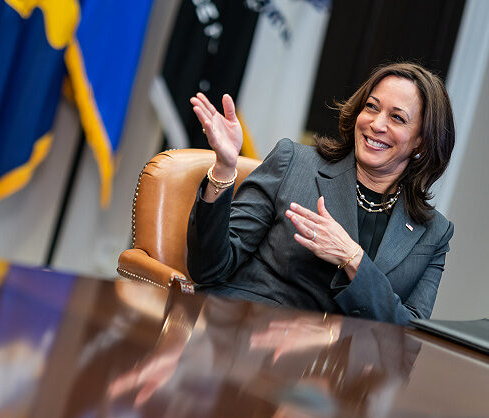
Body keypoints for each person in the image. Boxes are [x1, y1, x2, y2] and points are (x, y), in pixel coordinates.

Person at [187, 62, 455, 325]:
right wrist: (224, 167)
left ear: (421, 140)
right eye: (371, 107)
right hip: (246, 335)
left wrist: (353, 258)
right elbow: (210, 268)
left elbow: (412, 335)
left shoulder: (433, 233)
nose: (376, 124)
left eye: (397, 118)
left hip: (341, 364)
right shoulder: (293, 162)